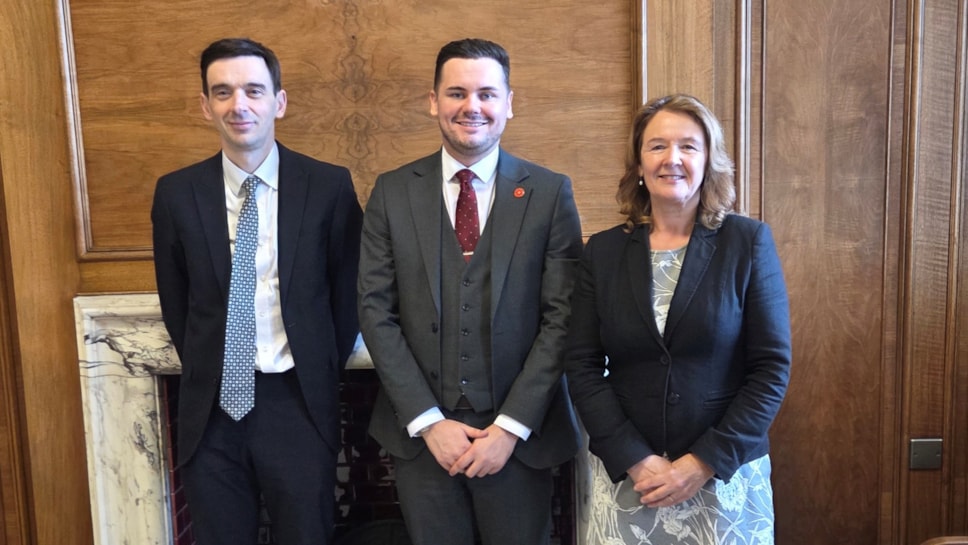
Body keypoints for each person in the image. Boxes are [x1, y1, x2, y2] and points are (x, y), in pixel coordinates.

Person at [357, 38, 583, 545]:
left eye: (486, 93)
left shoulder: (549, 194)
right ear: (433, 101)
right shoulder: (391, 192)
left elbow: (562, 318)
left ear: (508, 103)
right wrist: (427, 421)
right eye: (456, 92)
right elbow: (375, 312)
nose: (471, 107)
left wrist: (510, 427)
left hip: (518, 442)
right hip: (422, 440)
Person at [151, 37, 362, 545]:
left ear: (278, 102)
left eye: (253, 90)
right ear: (205, 106)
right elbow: (176, 302)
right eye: (222, 92)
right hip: (211, 409)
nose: (238, 105)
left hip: (297, 401)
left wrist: (317, 364)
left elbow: (347, 293)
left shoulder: (329, 186)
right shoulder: (177, 193)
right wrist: (212, 367)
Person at [564, 94, 791, 545]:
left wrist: (701, 463)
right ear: (638, 164)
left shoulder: (747, 243)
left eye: (689, 146)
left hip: (722, 481)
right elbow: (582, 365)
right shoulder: (603, 252)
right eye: (657, 146)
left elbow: (770, 370)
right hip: (633, 483)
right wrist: (635, 459)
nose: (673, 159)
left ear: (708, 159)